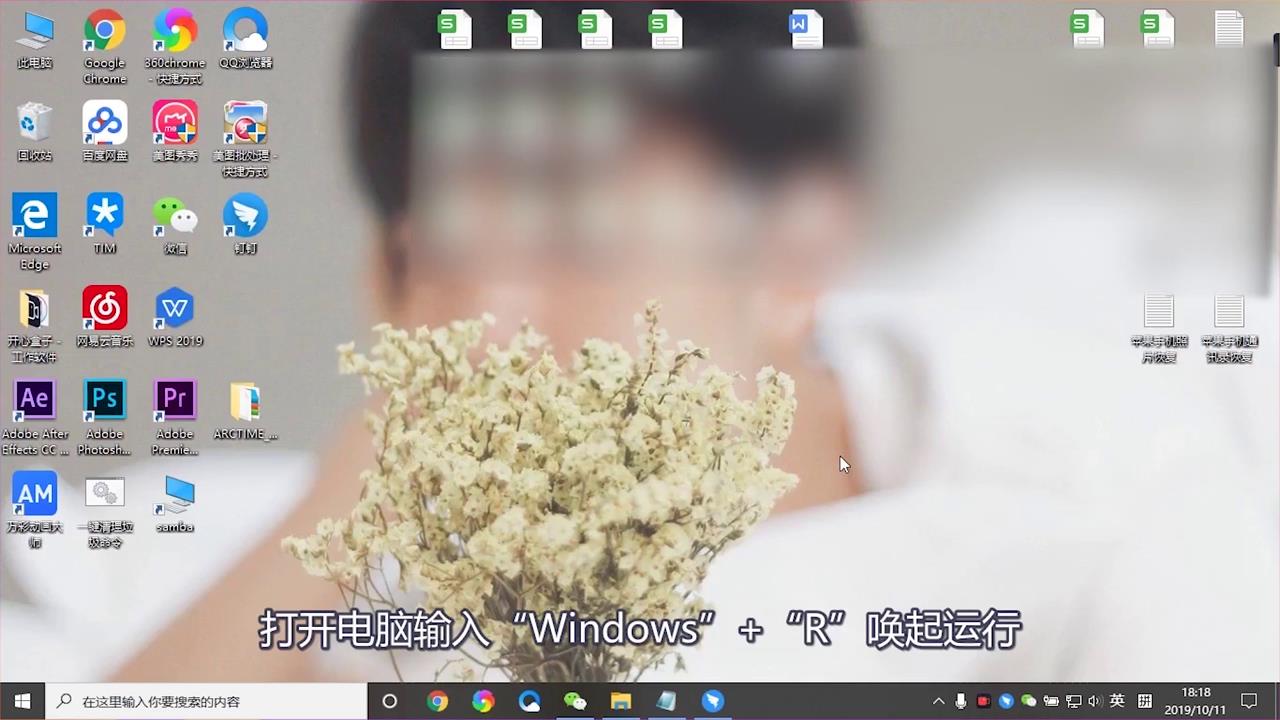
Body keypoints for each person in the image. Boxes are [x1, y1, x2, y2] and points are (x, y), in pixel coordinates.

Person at [112, 1, 872, 680]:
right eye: (448, 258)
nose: (495, 333)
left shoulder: (937, 540)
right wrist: (361, 485)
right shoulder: (209, 559)